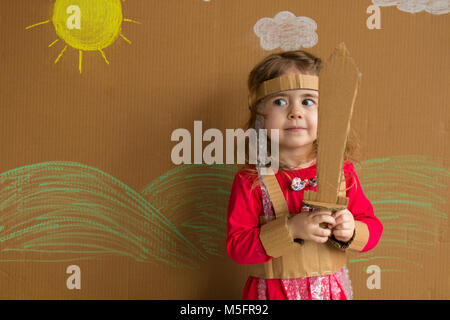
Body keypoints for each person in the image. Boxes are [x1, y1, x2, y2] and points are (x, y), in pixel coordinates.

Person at [226, 50, 383, 300]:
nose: (295, 112)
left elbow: (373, 227)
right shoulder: (251, 181)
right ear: (259, 116)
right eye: (280, 102)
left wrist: (351, 230)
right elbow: (237, 247)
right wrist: (290, 229)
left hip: (330, 293)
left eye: (308, 101)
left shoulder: (343, 174)